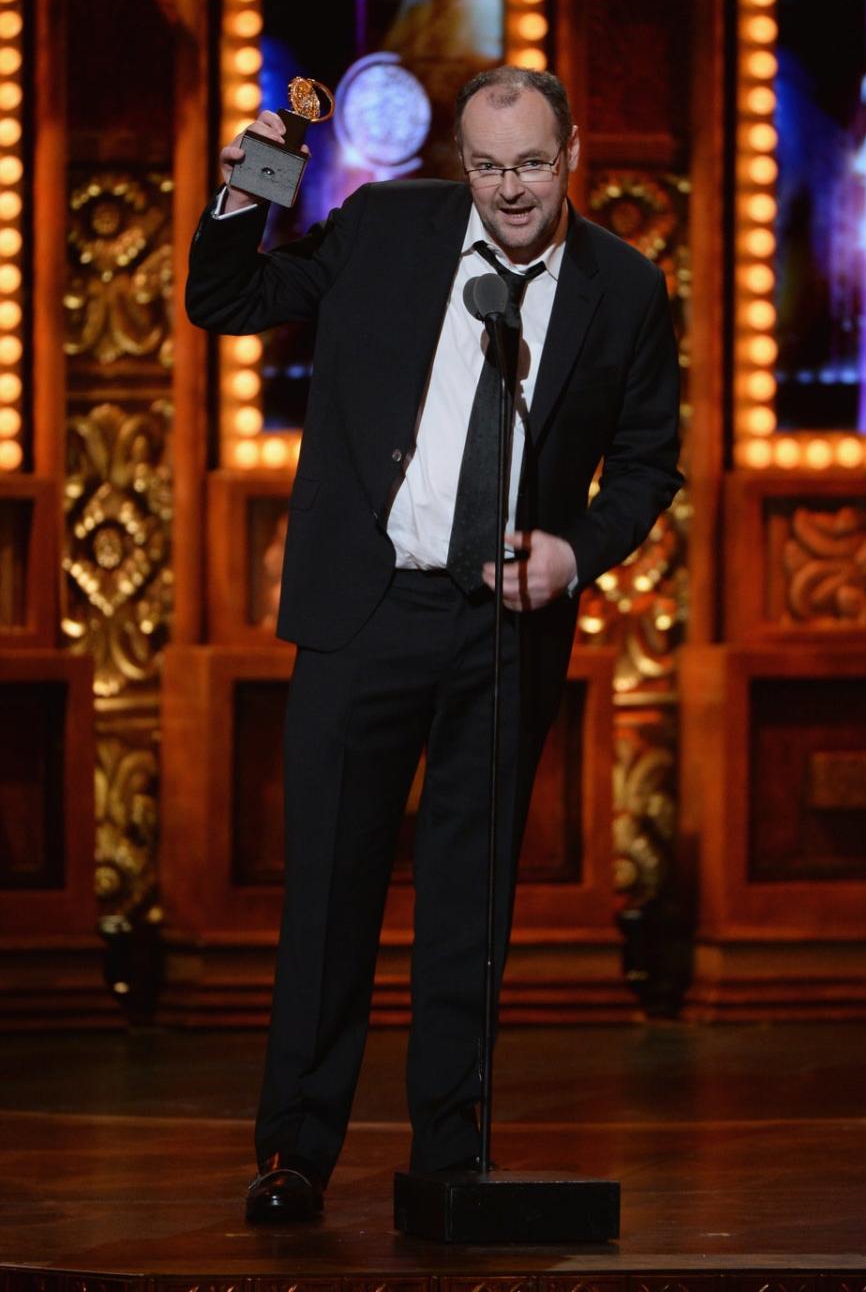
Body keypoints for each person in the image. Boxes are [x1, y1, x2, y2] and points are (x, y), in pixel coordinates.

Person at [186, 66, 682, 1224]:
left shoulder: (622, 286)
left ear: (572, 156)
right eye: (488, 165)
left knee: (473, 896)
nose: (510, 190)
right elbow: (227, 296)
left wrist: (575, 551)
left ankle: (452, 1150)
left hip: (507, 630)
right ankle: (293, 1154)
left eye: (532, 164)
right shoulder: (386, 229)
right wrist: (261, 167)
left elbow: (652, 459)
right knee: (330, 893)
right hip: (367, 614)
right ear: (461, 161)